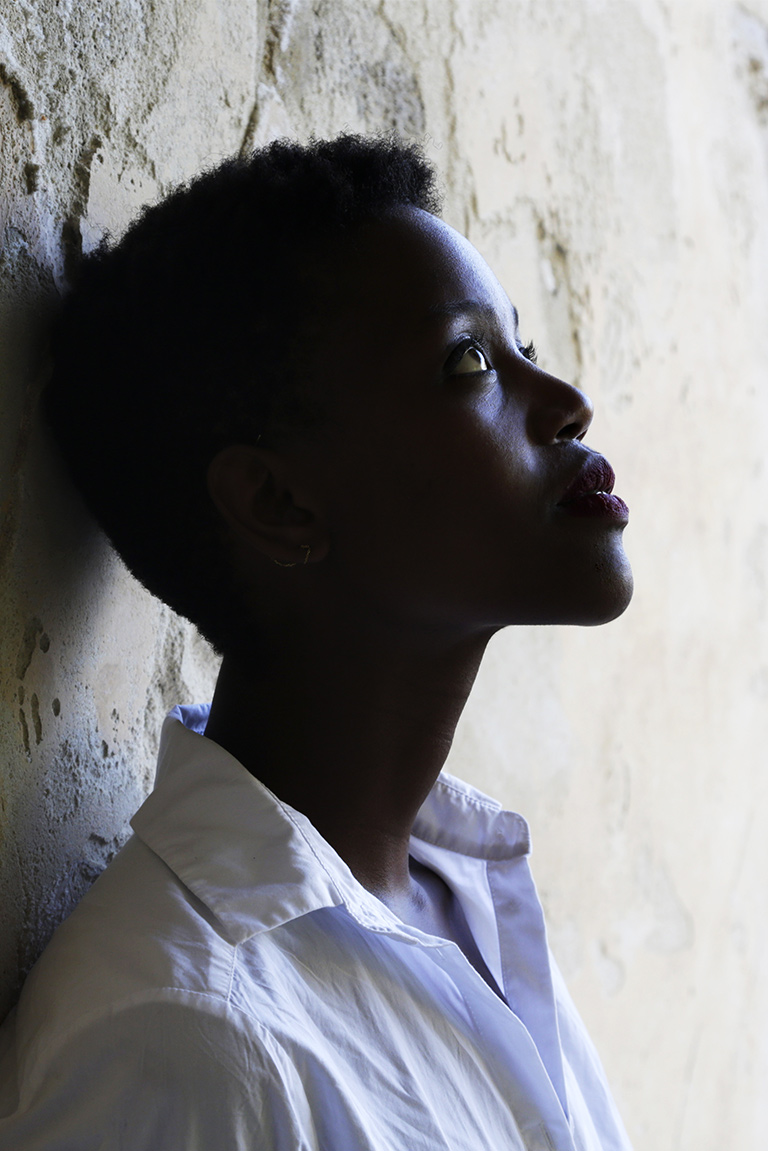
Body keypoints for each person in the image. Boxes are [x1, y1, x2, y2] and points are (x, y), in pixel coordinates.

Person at [0, 135, 634, 1150]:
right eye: (470, 361)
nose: (567, 404)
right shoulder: (181, 1038)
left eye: (518, 344)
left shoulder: (470, 907)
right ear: (279, 502)